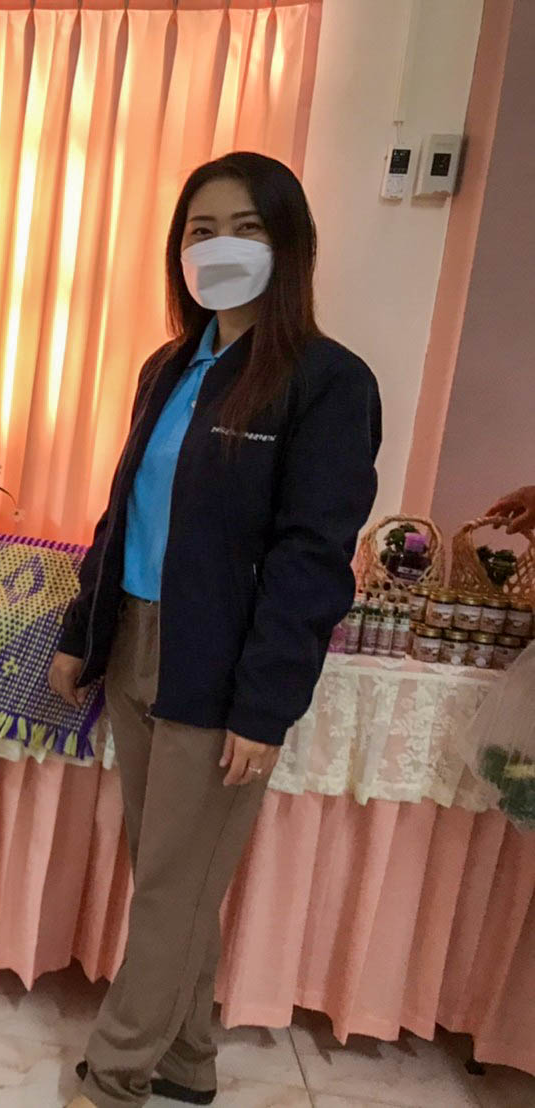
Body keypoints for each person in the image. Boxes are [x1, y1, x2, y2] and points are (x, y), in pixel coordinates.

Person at [50, 152, 381, 1108]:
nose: (220, 247)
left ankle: (115, 1076)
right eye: (202, 230)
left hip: (221, 664)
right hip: (137, 641)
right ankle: (188, 1059)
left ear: (290, 245)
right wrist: (81, 632)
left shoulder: (328, 382)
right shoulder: (168, 368)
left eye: (246, 228)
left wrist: (264, 708)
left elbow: (312, 558)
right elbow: (122, 514)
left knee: (171, 886)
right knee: (169, 874)